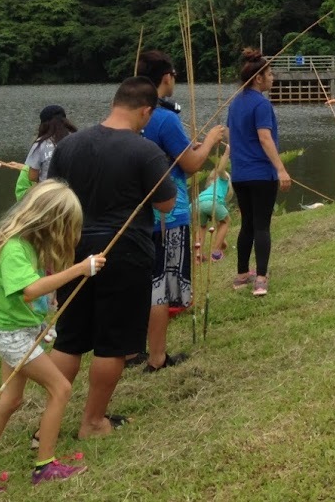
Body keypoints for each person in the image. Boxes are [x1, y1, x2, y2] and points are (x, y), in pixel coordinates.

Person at [0, 181, 101, 497]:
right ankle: (45, 466)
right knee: (60, 388)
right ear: (49, 220)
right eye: (65, 225)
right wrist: (80, 269)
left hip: (19, 333)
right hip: (12, 338)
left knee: (11, 400)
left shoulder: (26, 246)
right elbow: (29, 290)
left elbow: (30, 298)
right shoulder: (14, 248)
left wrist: (40, 322)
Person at [49, 77, 176, 440]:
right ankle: (92, 422)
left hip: (73, 251)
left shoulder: (69, 145)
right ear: (146, 111)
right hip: (124, 254)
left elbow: (52, 200)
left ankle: (47, 426)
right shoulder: (145, 150)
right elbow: (166, 203)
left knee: (69, 338)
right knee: (112, 343)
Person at [137, 50, 227, 371]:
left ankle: (130, 351)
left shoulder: (132, 113)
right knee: (160, 288)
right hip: (168, 215)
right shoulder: (165, 117)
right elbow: (190, 165)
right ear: (166, 77)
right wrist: (211, 140)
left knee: (140, 283)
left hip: (136, 215)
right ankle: (157, 357)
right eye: (174, 75)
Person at [228, 49, 292, 297]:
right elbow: (265, 138)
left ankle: (242, 275)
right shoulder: (262, 103)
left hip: (240, 175)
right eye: (270, 74)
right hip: (261, 174)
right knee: (262, 226)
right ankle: (261, 279)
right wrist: (281, 169)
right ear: (258, 78)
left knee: (247, 225)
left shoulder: (235, 102)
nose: (273, 78)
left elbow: (231, 135)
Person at [14, 105, 77, 202]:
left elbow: (32, 176)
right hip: (72, 194)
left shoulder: (40, 144)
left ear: (44, 124)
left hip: (48, 194)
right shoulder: (77, 140)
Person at [197, 147, 232, 261]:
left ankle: (198, 255)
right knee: (226, 221)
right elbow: (221, 170)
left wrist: (223, 242)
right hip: (211, 203)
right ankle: (215, 254)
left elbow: (218, 223)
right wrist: (227, 153)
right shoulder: (223, 180)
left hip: (197, 203)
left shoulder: (209, 187)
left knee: (202, 227)